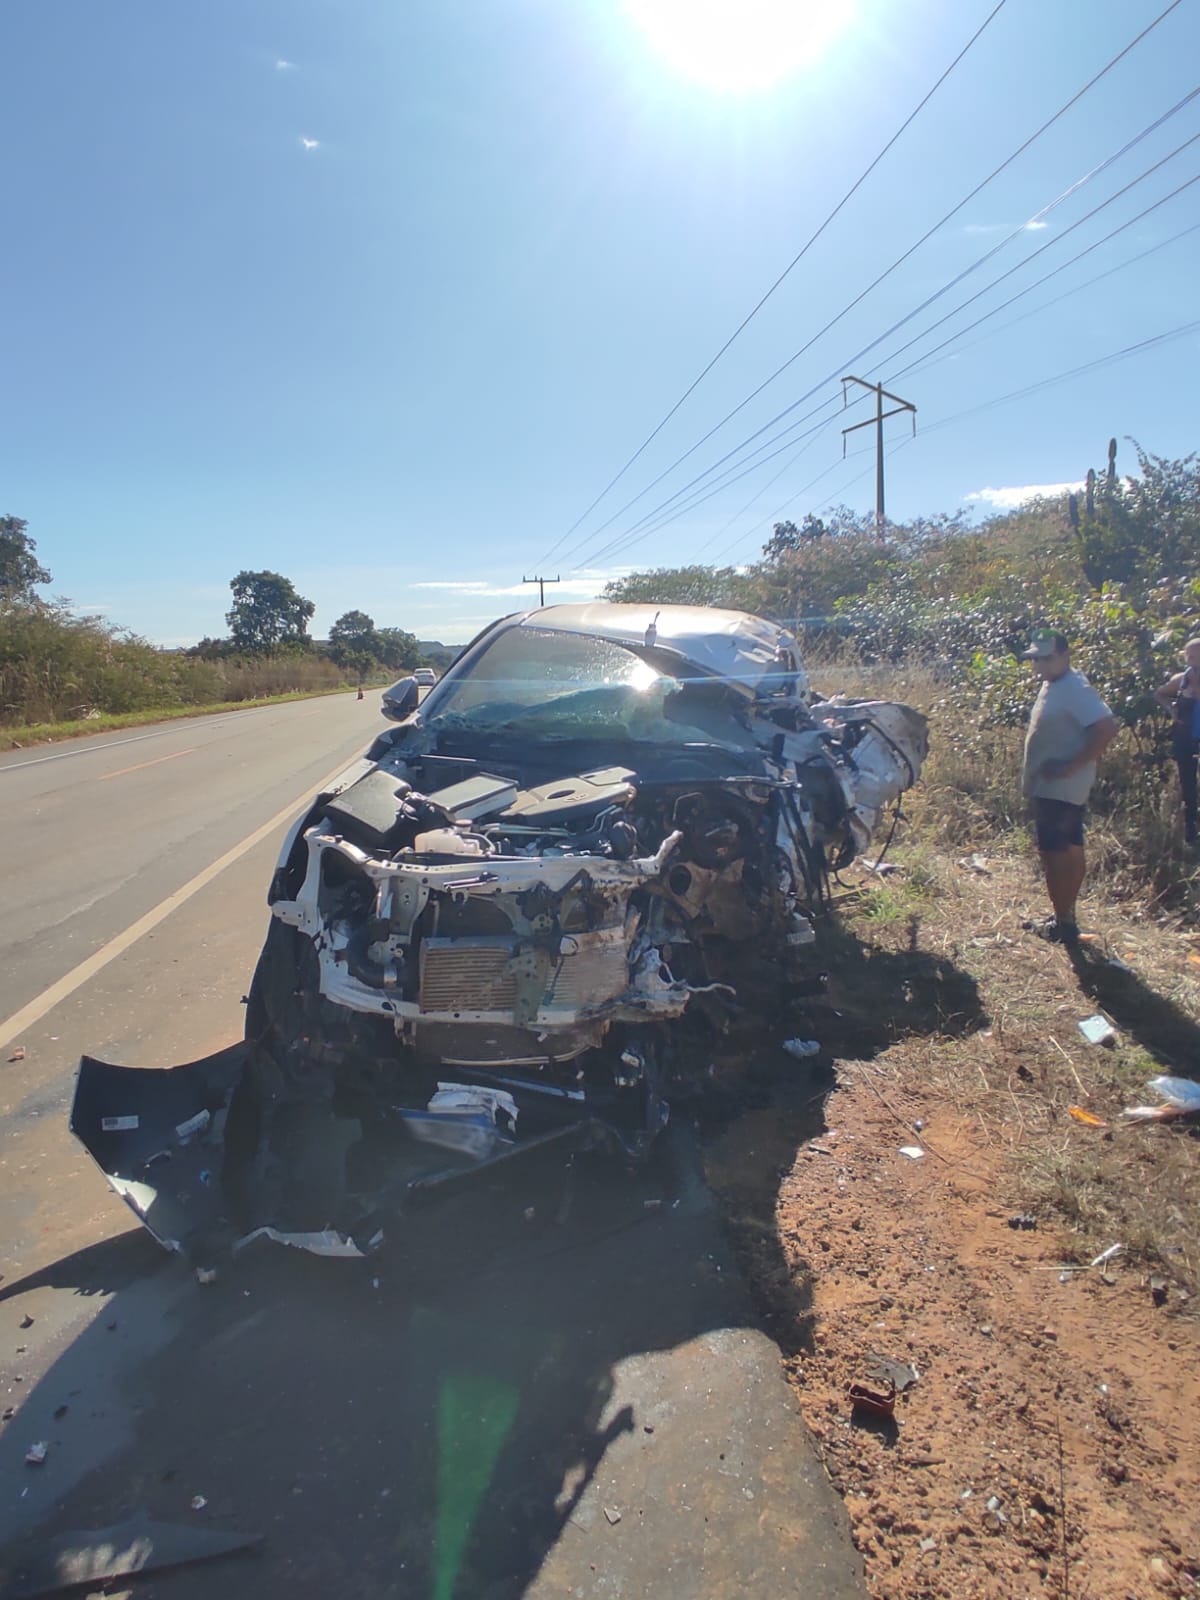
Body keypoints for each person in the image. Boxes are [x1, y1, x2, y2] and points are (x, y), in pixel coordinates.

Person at [1020, 629, 1120, 944]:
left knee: (1056, 853)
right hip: (1054, 787)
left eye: (1047, 658)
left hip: (1060, 788)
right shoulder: (1056, 684)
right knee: (1067, 848)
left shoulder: (1074, 687)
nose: (1040, 664)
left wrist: (1069, 767)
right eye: (1036, 658)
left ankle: (1063, 924)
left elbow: (1106, 727)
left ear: (1065, 656)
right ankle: (1065, 918)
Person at [1154, 637, 1200, 844]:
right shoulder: (1180, 679)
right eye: (1189, 655)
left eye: (1196, 655)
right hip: (1185, 738)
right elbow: (1160, 693)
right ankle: (1191, 831)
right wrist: (1171, 709)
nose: (1192, 660)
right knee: (1188, 784)